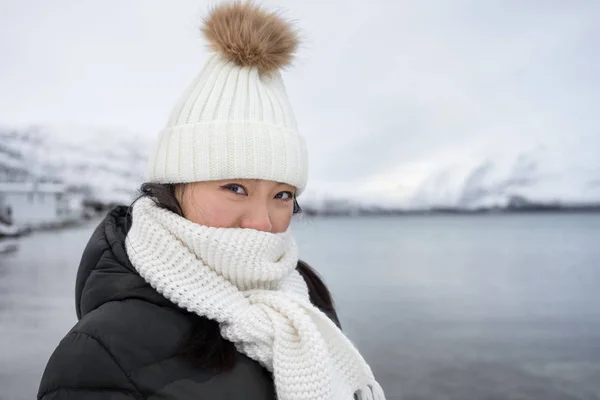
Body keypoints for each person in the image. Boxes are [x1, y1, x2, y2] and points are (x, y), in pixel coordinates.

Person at [37, 3, 386, 400]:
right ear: (175, 186)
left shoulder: (303, 296)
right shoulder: (99, 353)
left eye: (282, 195)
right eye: (235, 187)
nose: (262, 222)